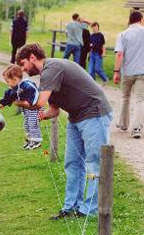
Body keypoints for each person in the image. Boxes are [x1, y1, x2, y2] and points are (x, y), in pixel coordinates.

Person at [16, 43, 112, 219]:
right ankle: (70, 207)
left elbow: (40, 103)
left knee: (93, 163)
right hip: (76, 117)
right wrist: (38, 118)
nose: (23, 69)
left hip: (94, 114)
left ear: (32, 57)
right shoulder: (47, 77)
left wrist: (19, 102)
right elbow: (53, 110)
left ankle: (89, 210)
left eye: (23, 64)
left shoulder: (51, 68)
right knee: (72, 163)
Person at [114, 11, 144, 139]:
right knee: (140, 100)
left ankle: (123, 124)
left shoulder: (122, 34)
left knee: (125, 98)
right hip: (142, 72)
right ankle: (136, 128)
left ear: (130, 20)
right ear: (141, 19)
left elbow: (119, 54)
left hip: (127, 72)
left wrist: (116, 71)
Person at [0, 64, 43, 150]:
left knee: (32, 122)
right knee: (26, 124)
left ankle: (36, 141)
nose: (7, 84)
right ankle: (29, 140)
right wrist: (3, 103)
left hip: (34, 108)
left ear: (15, 79)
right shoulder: (14, 87)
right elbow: (9, 96)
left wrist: (26, 103)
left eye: (8, 81)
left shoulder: (27, 86)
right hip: (27, 110)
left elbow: (33, 96)